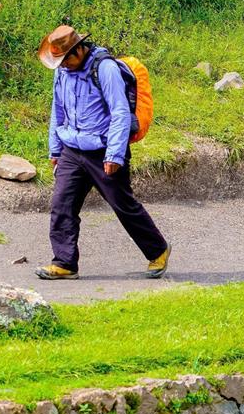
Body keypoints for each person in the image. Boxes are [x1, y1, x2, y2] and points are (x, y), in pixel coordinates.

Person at [35, 25, 170, 280]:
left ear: (78, 51)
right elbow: (57, 109)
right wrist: (55, 149)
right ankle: (64, 263)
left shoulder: (105, 69)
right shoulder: (62, 71)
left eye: (65, 60)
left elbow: (120, 112)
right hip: (71, 149)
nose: (62, 66)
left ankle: (158, 250)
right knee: (62, 205)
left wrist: (115, 155)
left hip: (103, 150)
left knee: (123, 205)